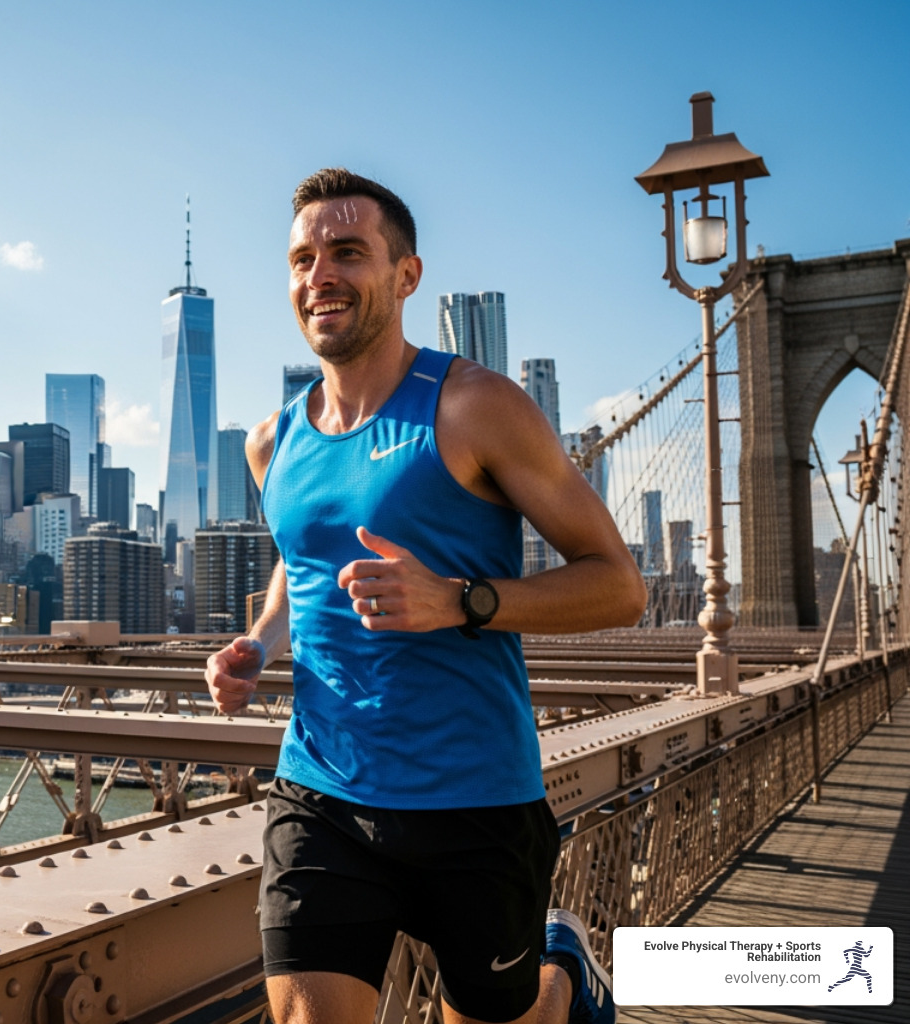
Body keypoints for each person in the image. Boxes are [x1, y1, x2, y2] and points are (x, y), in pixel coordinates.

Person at [204, 168, 646, 1024]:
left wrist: (461, 602)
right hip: (321, 792)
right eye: (302, 258)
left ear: (406, 275)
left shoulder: (476, 406)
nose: (319, 274)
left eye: (347, 252)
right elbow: (298, 567)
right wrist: (258, 642)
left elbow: (619, 585)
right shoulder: (272, 441)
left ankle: (564, 978)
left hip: (475, 799)